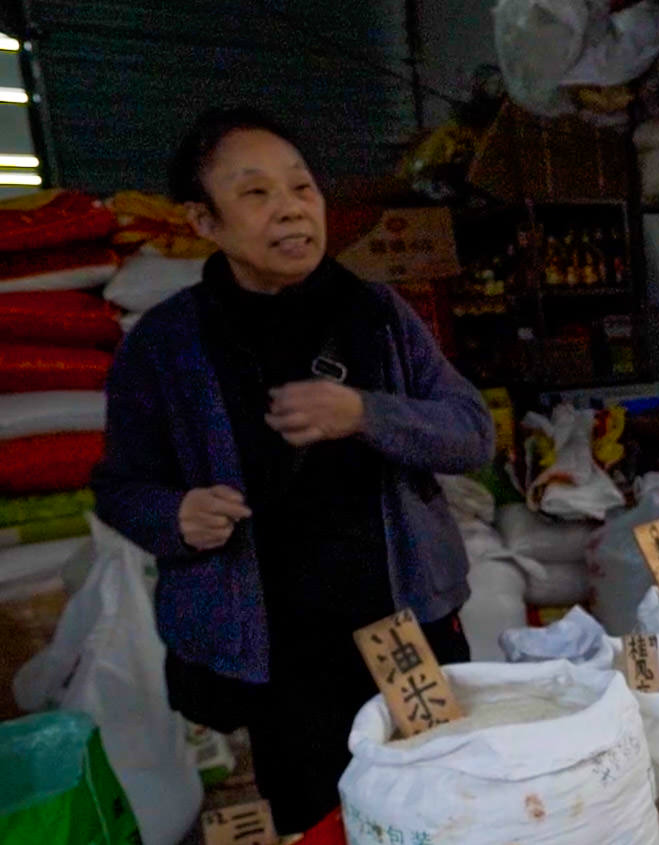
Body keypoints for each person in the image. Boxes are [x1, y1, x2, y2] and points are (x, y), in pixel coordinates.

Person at [92, 107, 494, 833]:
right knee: (317, 819)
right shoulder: (165, 345)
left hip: (401, 628)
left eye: (302, 188)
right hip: (271, 657)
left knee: (438, 804)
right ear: (203, 220)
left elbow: (472, 433)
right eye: (255, 193)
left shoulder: (375, 314)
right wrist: (174, 516)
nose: (290, 209)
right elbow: (120, 488)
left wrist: (367, 413)